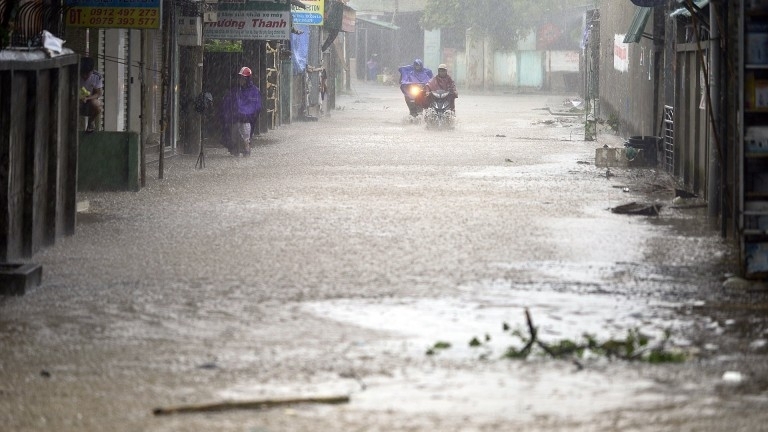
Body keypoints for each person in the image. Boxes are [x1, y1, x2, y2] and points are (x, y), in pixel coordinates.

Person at [221, 66, 262, 157]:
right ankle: (236, 153)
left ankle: (246, 152)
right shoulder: (235, 91)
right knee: (234, 138)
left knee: (246, 138)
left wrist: (247, 114)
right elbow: (228, 103)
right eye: (240, 78)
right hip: (236, 119)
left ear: (247, 79)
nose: (241, 80)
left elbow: (256, 106)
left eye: (243, 78)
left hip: (247, 120)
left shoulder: (254, 91)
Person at [79, 57, 103, 132]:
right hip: (77, 99)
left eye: (87, 74)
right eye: (83, 74)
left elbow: (98, 93)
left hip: (89, 99)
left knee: (97, 105)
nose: (85, 76)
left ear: (92, 71)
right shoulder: (74, 73)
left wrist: (88, 98)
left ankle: (91, 121)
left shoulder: (97, 76)